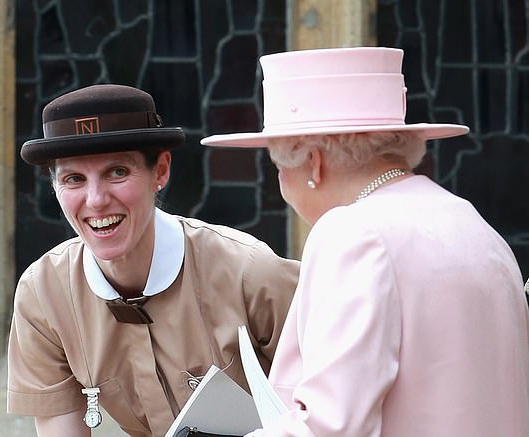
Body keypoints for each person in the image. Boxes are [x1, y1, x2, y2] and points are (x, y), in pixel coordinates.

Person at [202, 47, 529, 436]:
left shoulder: (353, 234)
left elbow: (331, 425)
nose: (281, 185)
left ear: (314, 164)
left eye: (279, 167)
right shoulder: (473, 224)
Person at [7, 84, 300, 436]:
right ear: (55, 188)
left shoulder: (251, 272)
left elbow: (336, 410)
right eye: (74, 179)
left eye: (117, 172)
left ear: (160, 171)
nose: (96, 199)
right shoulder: (43, 296)